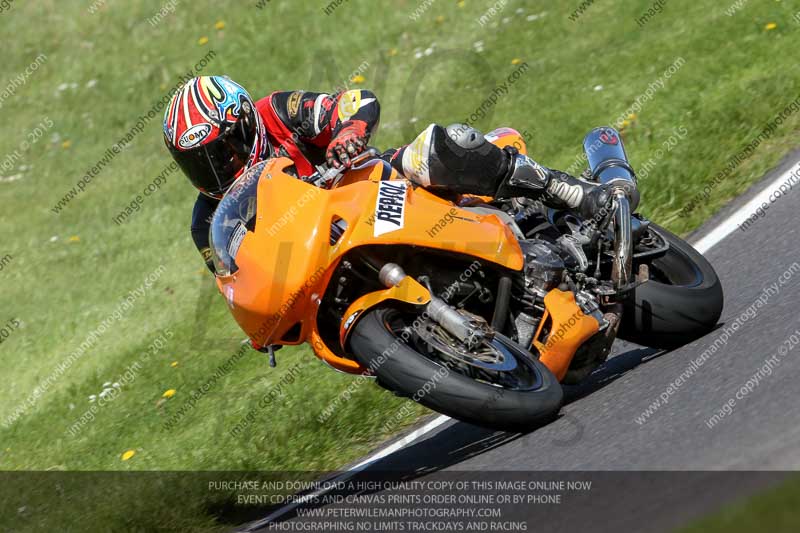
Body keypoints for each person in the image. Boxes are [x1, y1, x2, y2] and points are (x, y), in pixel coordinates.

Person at [163, 75, 611, 273]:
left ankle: (570, 192)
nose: (216, 169)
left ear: (244, 125)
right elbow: (235, 278)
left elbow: (354, 101)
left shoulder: (278, 110)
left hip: (375, 185)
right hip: (326, 255)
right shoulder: (207, 223)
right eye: (197, 163)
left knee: (436, 149)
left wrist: (347, 134)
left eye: (219, 153)